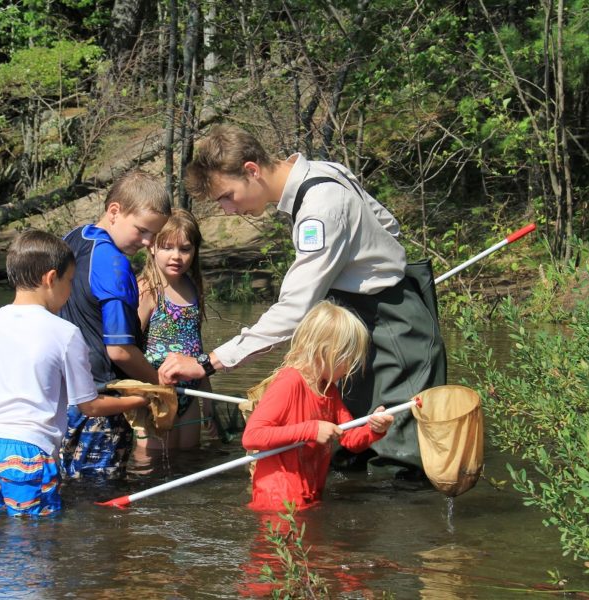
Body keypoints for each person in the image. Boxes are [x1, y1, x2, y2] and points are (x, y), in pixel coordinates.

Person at [159, 124, 446, 473]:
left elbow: (294, 311)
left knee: (396, 457)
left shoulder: (319, 210)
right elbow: (389, 225)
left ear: (251, 170)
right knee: (350, 441)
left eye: (227, 196)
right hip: (357, 328)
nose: (228, 210)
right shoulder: (326, 170)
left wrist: (208, 363)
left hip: (392, 331)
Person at [0, 230, 149, 516]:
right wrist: (141, 400)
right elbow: (88, 406)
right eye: (70, 281)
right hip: (27, 452)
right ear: (51, 278)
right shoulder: (65, 333)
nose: (70, 289)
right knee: (33, 538)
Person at [58, 170, 171, 479]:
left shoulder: (72, 238)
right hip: (102, 402)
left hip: (61, 397)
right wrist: (157, 384)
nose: (148, 243)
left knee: (64, 487)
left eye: (154, 235)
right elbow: (119, 350)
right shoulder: (114, 264)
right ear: (114, 211)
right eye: (142, 230)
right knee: (101, 501)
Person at [241, 301, 395, 511]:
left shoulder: (328, 389)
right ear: (325, 351)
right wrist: (311, 429)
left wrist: (374, 428)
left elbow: (349, 438)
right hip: (278, 498)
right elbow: (252, 436)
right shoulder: (289, 382)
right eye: (347, 358)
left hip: (308, 492)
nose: (351, 367)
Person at [136, 209, 214, 450]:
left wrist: (207, 398)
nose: (176, 256)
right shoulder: (148, 289)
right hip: (156, 392)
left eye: (185, 249)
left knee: (188, 459)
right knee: (152, 463)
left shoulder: (193, 288)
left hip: (189, 393)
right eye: (167, 247)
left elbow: (196, 348)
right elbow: (129, 347)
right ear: (152, 247)